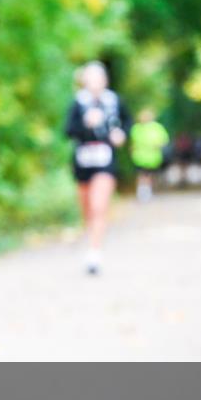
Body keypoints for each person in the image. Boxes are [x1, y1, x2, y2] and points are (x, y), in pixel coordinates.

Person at [64, 61, 131, 275]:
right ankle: (91, 240)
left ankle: (95, 252)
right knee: (87, 209)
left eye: (98, 78)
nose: (94, 82)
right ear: (84, 81)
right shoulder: (78, 103)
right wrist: (86, 123)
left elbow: (128, 122)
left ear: (105, 80)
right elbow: (68, 131)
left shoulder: (115, 101)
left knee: (98, 205)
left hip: (105, 160)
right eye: (90, 78)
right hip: (83, 161)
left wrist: (122, 134)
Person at [129, 108, 170, 202]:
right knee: (143, 175)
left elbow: (163, 141)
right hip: (141, 157)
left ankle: (145, 192)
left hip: (151, 158)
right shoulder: (137, 128)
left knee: (148, 175)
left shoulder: (155, 128)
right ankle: (143, 193)